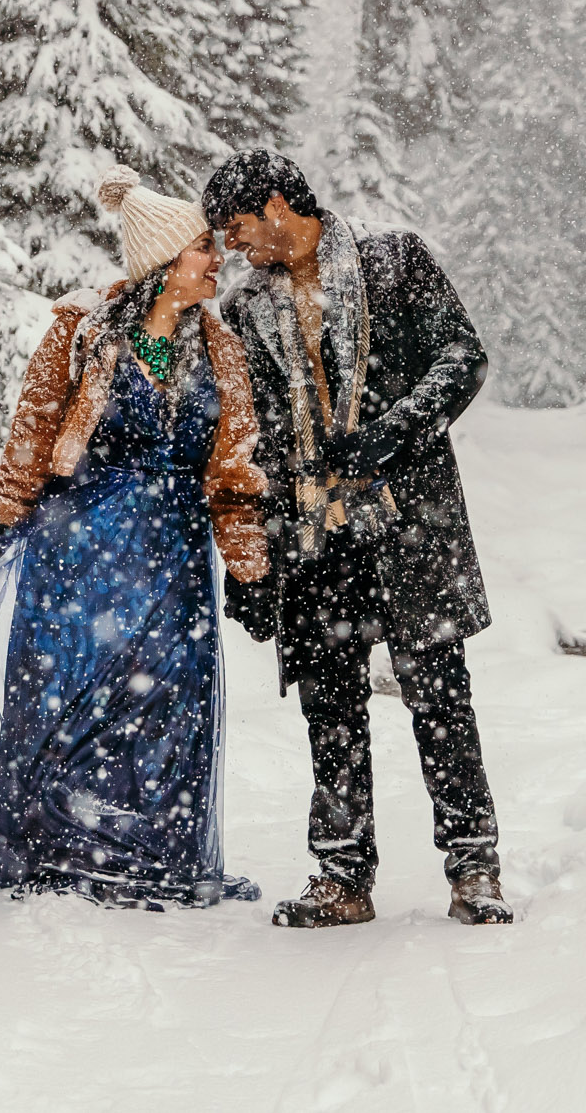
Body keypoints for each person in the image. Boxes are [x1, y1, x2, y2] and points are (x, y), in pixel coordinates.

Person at [0, 165, 271, 907]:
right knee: (67, 698)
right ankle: (57, 848)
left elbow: (233, 473)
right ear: (165, 264)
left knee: (169, 703)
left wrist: (249, 564)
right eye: (204, 248)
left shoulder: (223, 350)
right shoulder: (83, 332)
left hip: (172, 558)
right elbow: (34, 433)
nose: (217, 260)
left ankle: (152, 856)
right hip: (79, 549)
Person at [202, 150, 512, 928]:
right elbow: (252, 445)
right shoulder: (243, 312)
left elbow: (462, 358)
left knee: (441, 696)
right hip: (314, 542)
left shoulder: (394, 259)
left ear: (276, 203)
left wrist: (387, 434)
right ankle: (343, 876)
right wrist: (253, 565)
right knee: (329, 709)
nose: (233, 247)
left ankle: (474, 868)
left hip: (410, 524)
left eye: (237, 228)